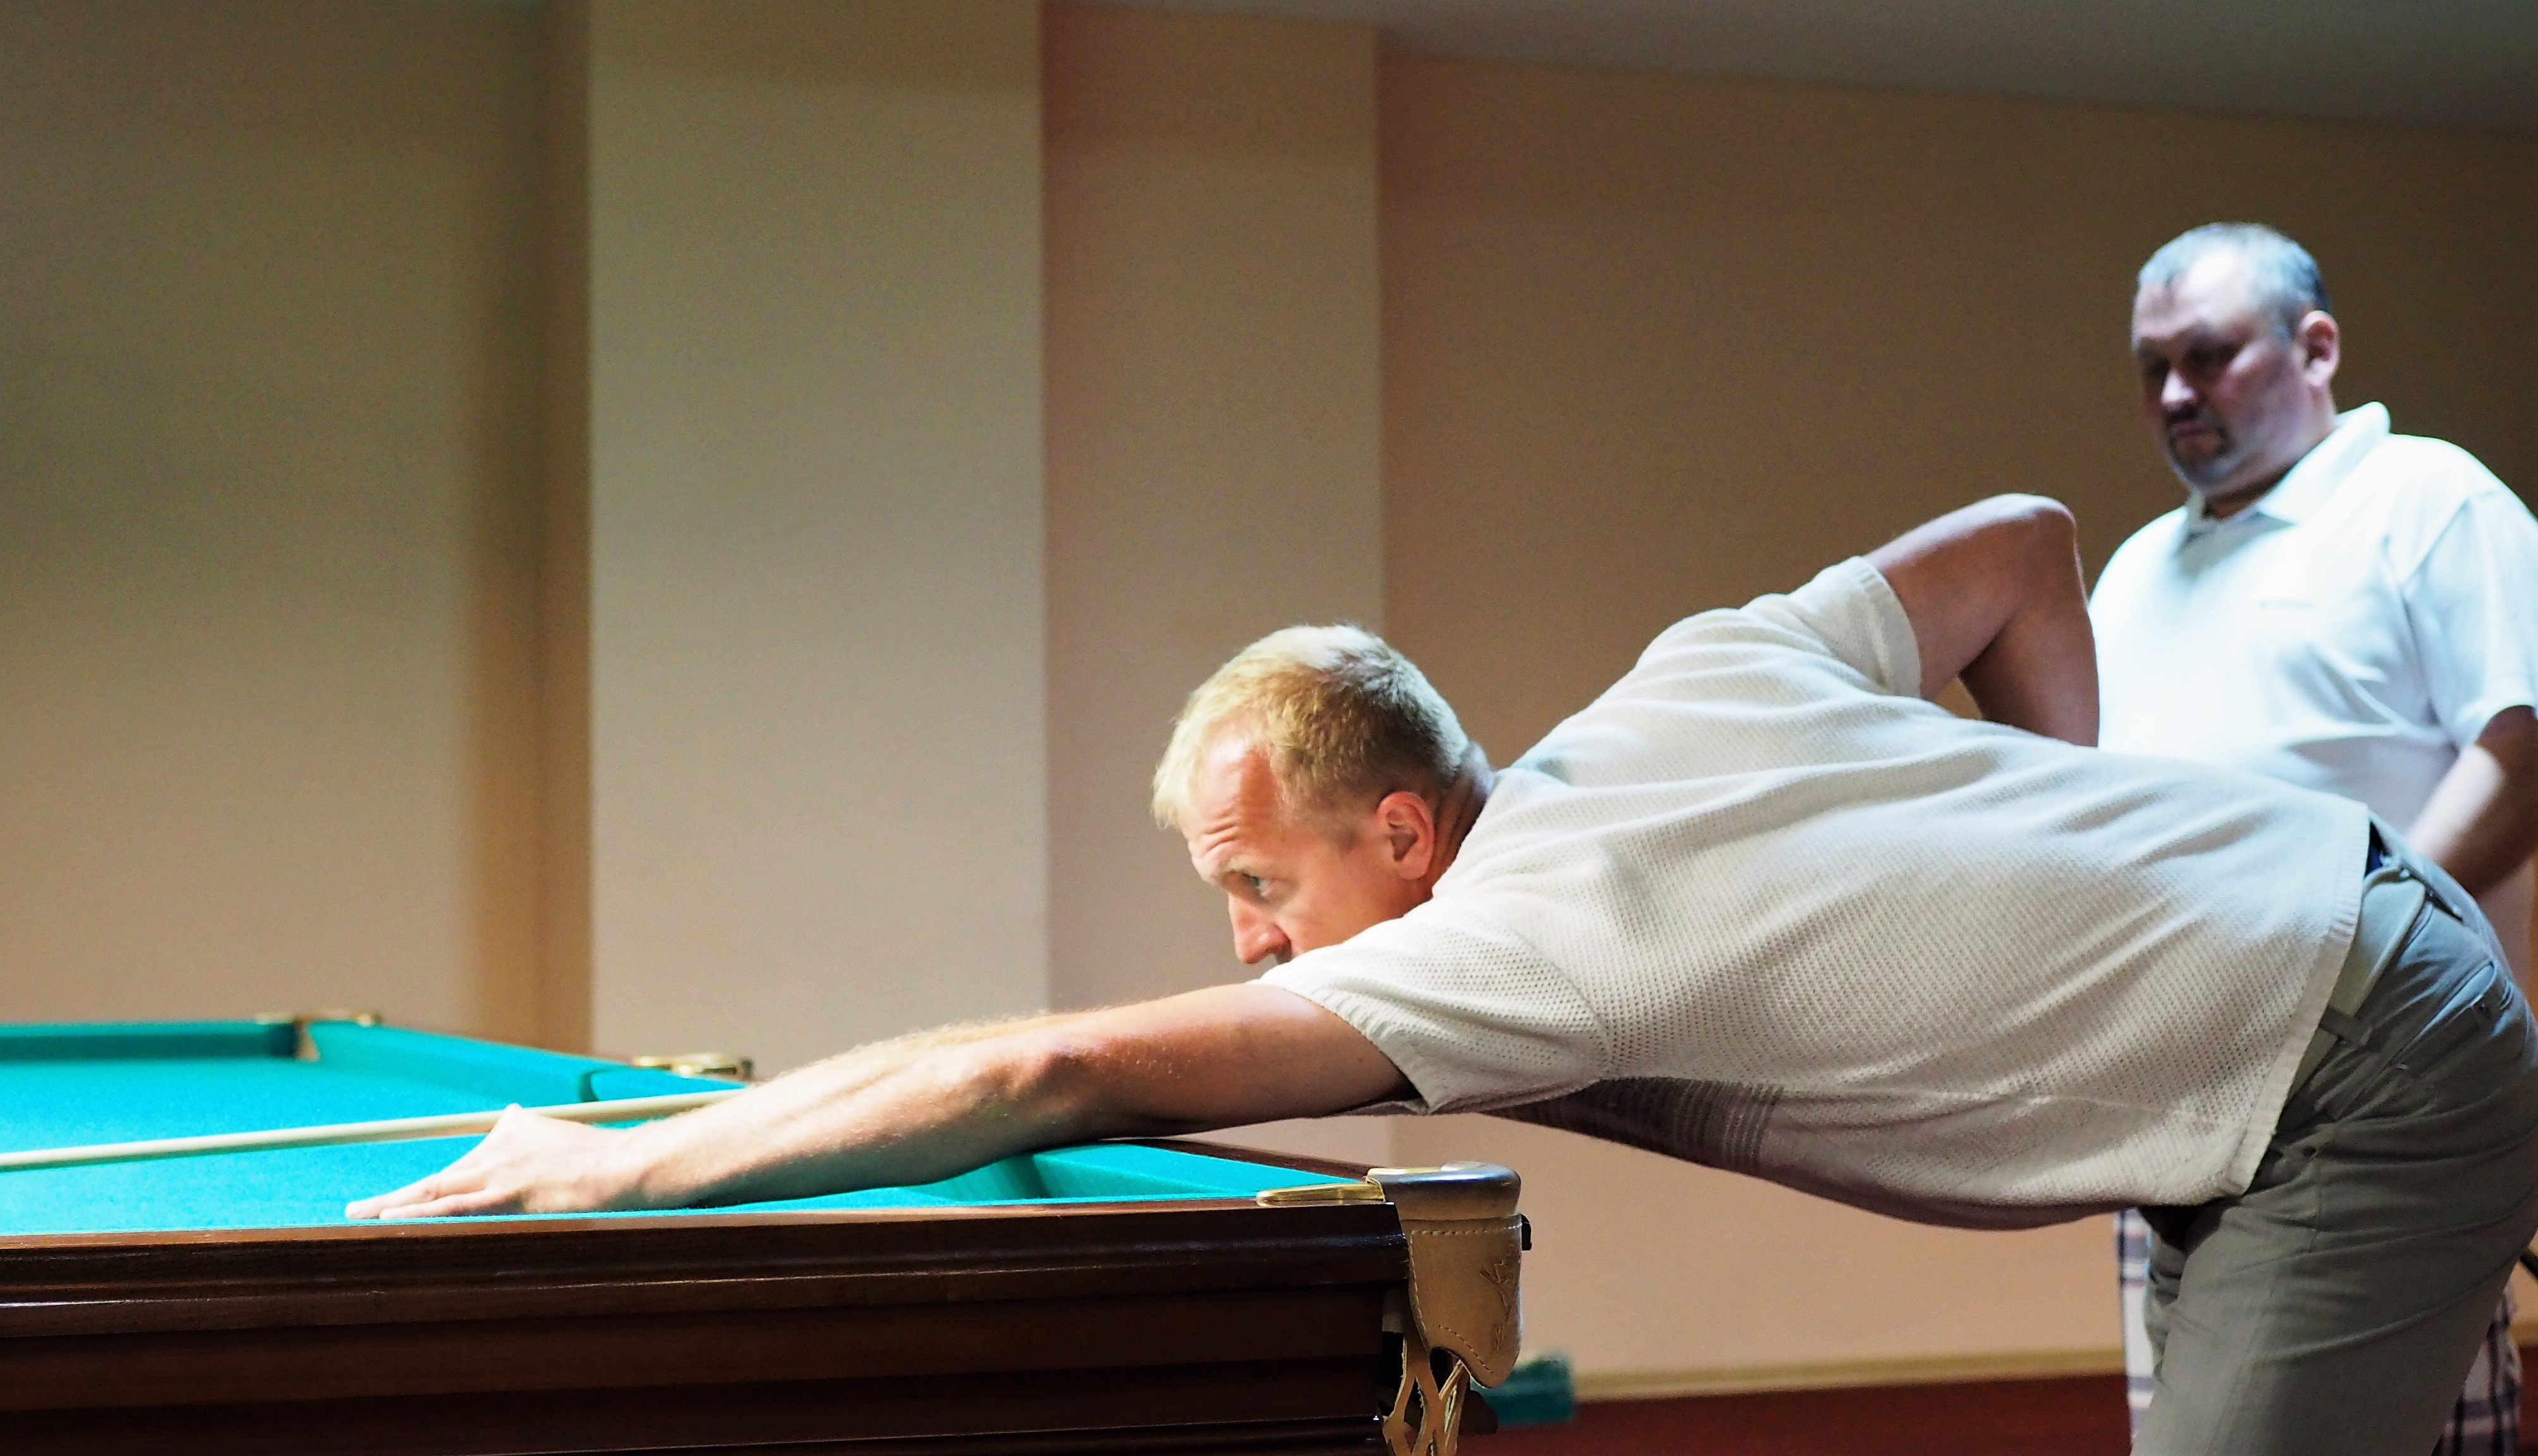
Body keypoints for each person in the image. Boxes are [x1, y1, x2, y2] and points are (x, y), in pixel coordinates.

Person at [352, 496, 2538, 1455]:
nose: (1245, 940)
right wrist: (2104, 839)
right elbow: (2026, 547)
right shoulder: (1692, 674)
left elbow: (1054, 1065)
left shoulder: (1513, 948)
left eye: (1257, 884)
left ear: (1400, 834)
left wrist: (625, 1164)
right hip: (2328, 953)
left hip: (2354, 1069)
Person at [2090, 223, 2538, 1451]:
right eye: (2152, 366)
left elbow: (2523, 746)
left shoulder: (2426, 498)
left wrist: (2347, 952)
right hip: (2179, 1116)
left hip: (2385, 1102)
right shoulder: (2134, 573)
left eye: (2209, 354)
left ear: (2318, 348)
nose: (2175, 393)